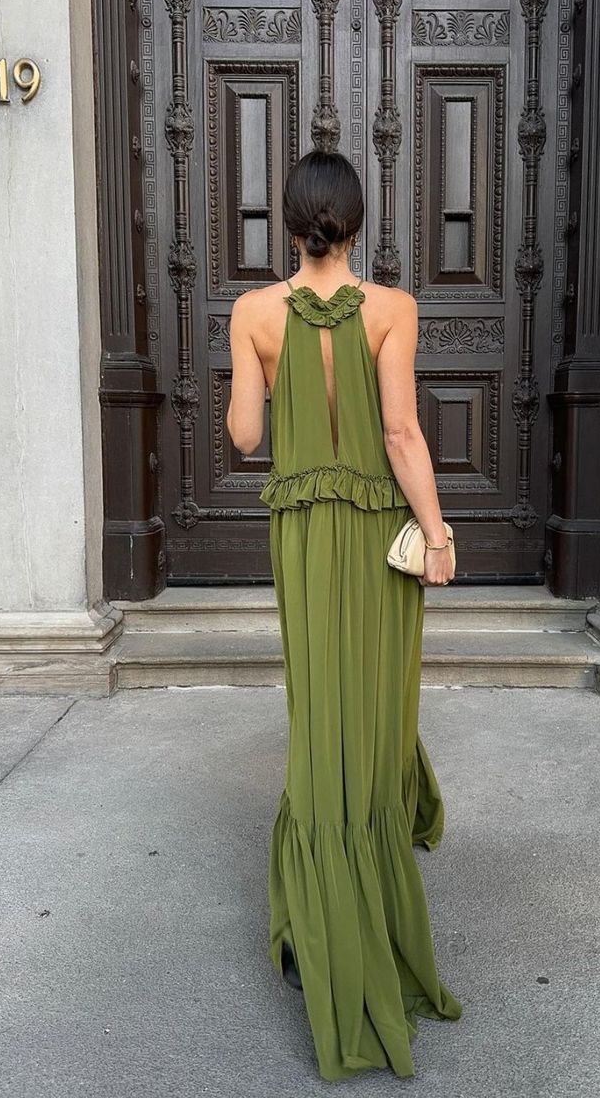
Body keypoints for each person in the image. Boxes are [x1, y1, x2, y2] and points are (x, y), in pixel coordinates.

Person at [227, 149, 462, 1080]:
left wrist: (262, 373)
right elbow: (402, 434)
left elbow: (247, 438)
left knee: (316, 700)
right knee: (372, 697)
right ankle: (371, 860)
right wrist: (436, 533)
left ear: (290, 222)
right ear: (356, 223)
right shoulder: (395, 310)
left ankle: (310, 916)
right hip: (373, 532)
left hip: (301, 532)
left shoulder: (251, 314)